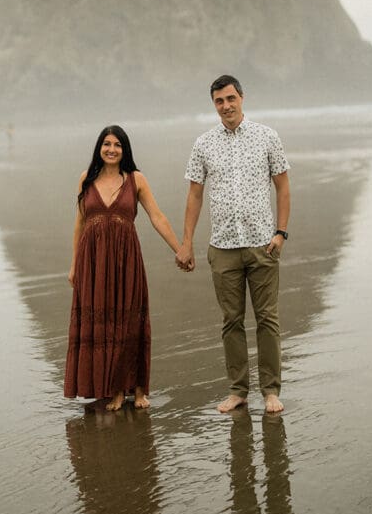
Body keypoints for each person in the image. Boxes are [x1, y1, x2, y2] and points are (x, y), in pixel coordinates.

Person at [176, 75, 291, 414]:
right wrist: (187, 243)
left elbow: (283, 187)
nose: (226, 106)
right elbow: (194, 195)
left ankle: (270, 391)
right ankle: (238, 390)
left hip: (263, 245)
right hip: (223, 247)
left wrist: (281, 233)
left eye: (230, 98)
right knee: (231, 321)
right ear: (214, 104)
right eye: (219, 101)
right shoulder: (204, 144)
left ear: (241, 97)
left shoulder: (267, 137)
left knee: (267, 319)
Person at [64, 125, 184, 411]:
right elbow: (80, 224)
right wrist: (74, 265)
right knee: (103, 323)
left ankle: (138, 390)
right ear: (99, 148)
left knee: (130, 322)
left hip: (126, 261)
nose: (111, 149)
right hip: (92, 263)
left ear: (125, 149)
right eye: (106, 144)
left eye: (117, 145)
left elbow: (157, 217)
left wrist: (179, 249)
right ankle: (113, 389)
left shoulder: (136, 179)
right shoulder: (86, 178)